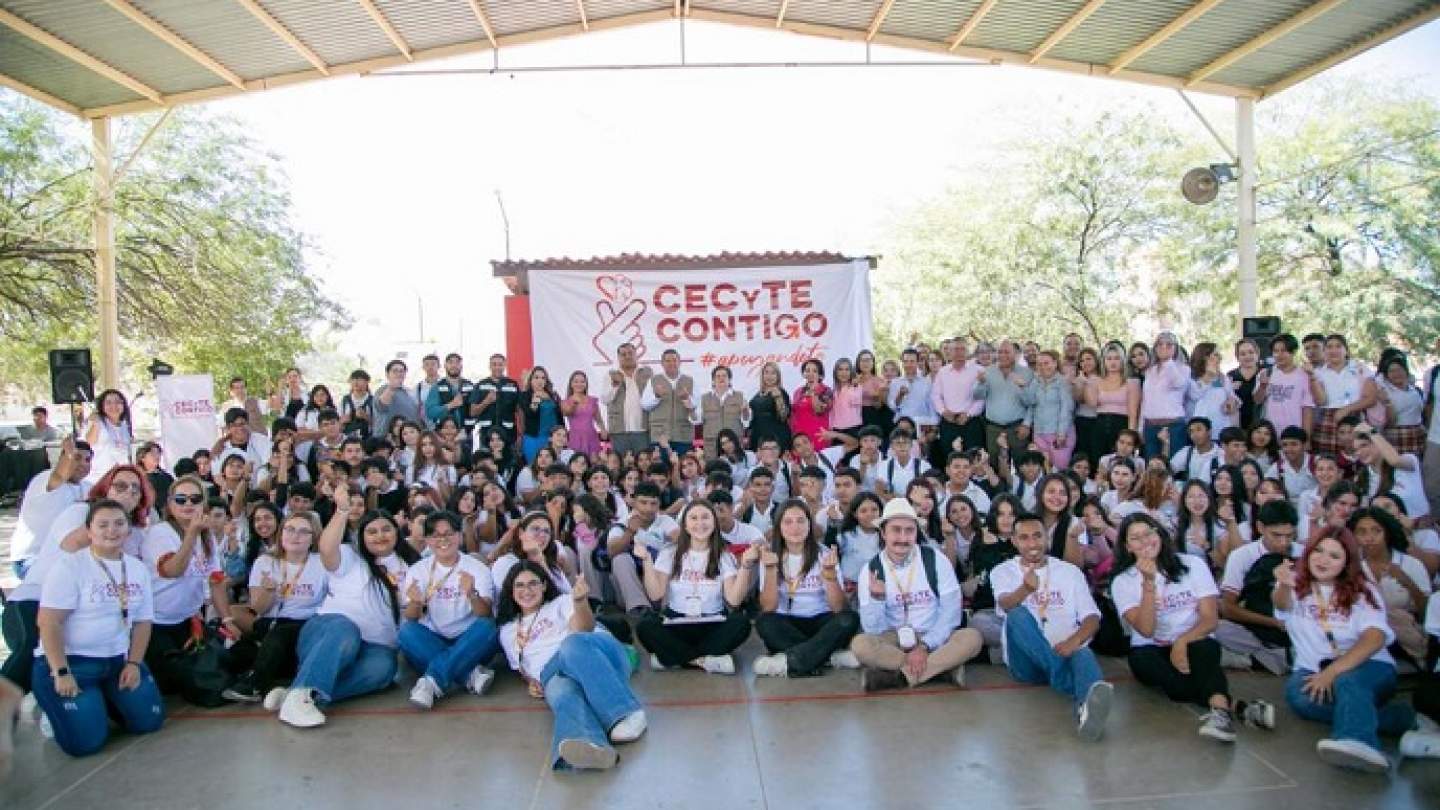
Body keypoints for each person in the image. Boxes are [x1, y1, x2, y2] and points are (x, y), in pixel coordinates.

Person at [1273, 526, 1423, 772]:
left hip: (1368, 666)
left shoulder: (1363, 592)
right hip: (1312, 668)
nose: (1323, 560)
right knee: (1299, 698)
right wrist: (1284, 584)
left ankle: (1358, 741)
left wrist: (1332, 673)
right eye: (1318, 551)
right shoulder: (1297, 585)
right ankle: (1401, 719)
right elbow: (1281, 606)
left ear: (1346, 563)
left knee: (1348, 683)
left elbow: (1374, 639)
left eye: (1334, 556)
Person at [1111, 513, 1261, 742]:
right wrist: (1149, 583)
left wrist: (1182, 642)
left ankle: (1221, 714)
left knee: (1206, 651)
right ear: (1127, 546)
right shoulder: (1123, 581)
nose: (1145, 541)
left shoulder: (1193, 565)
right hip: (1151, 647)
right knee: (1174, 686)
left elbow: (1210, 619)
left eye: (1148, 533)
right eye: (1136, 538)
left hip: (1194, 639)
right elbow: (1146, 630)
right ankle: (1238, 707)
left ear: (1159, 534)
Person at [32, 500, 165, 757]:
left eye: (119, 524)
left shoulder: (136, 569)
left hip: (116, 661)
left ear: (128, 530)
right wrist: (61, 671)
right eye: (102, 525)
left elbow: (143, 622)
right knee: (87, 744)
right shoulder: (70, 566)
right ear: (89, 530)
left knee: (149, 722)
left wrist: (134, 663)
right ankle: (58, 704)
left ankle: (103, 700)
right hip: (73, 664)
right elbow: (49, 622)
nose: (111, 531)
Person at [3, 465, 150, 697]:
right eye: (120, 485)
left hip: (82, 613)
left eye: (135, 488)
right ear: (105, 487)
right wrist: (112, 514)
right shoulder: (79, 512)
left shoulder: (133, 531)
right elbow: (72, 544)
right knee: (32, 651)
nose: (129, 491)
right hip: (35, 600)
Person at [274, 489, 408, 727]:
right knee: (347, 629)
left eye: (386, 529)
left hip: (375, 648)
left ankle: (301, 695)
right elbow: (326, 548)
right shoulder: (349, 556)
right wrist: (343, 511)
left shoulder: (410, 565)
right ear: (361, 536)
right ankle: (301, 694)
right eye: (372, 531)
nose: (380, 536)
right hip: (330, 634)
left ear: (397, 532)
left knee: (385, 668)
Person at [497, 562, 645, 771]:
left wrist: (580, 601)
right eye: (519, 586)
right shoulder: (507, 630)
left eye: (532, 584)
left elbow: (583, 629)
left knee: (571, 644)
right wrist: (531, 682)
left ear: (544, 586)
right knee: (562, 694)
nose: (526, 590)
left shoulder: (561, 603)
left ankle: (625, 713)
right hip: (554, 673)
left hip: (593, 655)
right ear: (511, 592)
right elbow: (522, 665)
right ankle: (591, 746)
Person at [991, 512, 1113, 742]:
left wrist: (1073, 642)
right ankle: (1064, 678)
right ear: (1014, 541)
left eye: (1037, 536)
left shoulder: (1069, 571)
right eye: (1024, 538)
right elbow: (1005, 605)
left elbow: (1092, 617)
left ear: (1047, 538)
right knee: (1017, 614)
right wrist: (1024, 590)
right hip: (1025, 662)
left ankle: (1086, 711)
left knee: (1084, 653)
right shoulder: (1002, 571)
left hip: (1066, 649)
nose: (1032, 544)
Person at [851, 498, 982, 691]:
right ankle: (941, 670)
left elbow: (951, 612)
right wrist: (876, 599)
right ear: (883, 532)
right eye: (896, 530)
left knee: (972, 638)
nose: (903, 538)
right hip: (893, 639)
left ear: (916, 533)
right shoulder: (871, 570)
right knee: (861, 645)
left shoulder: (936, 560)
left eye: (909, 530)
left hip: (934, 635)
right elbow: (873, 629)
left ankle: (901, 676)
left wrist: (925, 646)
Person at [140, 475, 236, 702]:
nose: (188, 504)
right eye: (181, 499)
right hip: (157, 624)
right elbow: (172, 570)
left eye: (195, 499)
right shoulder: (159, 533)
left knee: (232, 658)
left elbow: (216, 580)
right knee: (185, 682)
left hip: (189, 621)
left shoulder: (207, 535)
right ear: (170, 505)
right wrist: (191, 534)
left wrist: (228, 621)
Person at [633, 499, 754, 673]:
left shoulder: (723, 554)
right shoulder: (670, 552)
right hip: (676, 623)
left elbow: (734, 600)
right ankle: (704, 660)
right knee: (645, 625)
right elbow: (655, 595)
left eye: (705, 518)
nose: (700, 523)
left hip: (712, 622)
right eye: (693, 518)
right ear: (685, 525)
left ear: (714, 523)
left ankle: (673, 658)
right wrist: (646, 560)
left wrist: (746, 566)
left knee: (741, 623)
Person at [222, 510, 328, 703]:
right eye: (290, 529)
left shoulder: (321, 564)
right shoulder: (265, 562)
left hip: (306, 625)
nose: (295, 536)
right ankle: (280, 676)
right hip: (270, 624)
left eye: (304, 532)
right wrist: (269, 592)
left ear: (313, 538)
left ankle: (255, 683)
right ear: (281, 533)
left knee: (281, 633)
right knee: (236, 653)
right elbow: (257, 610)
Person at [399, 510, 499, 709]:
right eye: (436, 535)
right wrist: (416, 603)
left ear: (460, 537)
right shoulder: (418, 570)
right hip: (433, 639)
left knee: (488, 627)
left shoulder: (477, 568)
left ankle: (432, 681)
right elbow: (410, 617)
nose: (443, 539)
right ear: (427, 540)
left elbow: (485, 614)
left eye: (449, 533)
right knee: (406, 631)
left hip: (471, 640)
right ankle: (469, 675)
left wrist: (471, 593)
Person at [753, 500, 861, 677]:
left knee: (848, 619)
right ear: (778, 527)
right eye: (788, 522)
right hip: (786, 622)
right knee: (764, 622)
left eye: (801, 521)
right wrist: (771, 570)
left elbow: (839, 608)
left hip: (821, 621)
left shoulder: (824, 554)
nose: (795, 527)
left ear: (810, 525)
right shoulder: (770, 556)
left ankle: (791, 661)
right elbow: (768, 607)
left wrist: (830, 575)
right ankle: (824, 656)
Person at [1217, 499, 1300, 676]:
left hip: (1298, 628)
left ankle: (1259, 659)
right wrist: (1275, 623)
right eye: (1276, 535)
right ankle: (1272, 658)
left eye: (1289, 535)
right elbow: (1228, 608)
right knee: (1215, 628)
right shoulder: (1242, 556)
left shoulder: (1304, 554)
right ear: (1261, 528)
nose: (1283, 542)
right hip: (1256, 627)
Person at [8, 437, 91, 579]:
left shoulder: (89, 487)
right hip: (32, 559)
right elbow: (59, 475)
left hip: (66, 558)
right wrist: (69, 455)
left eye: (87, 460)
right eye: (77, 458)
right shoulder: (45, 479)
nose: (83, 464)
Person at [930, 338, 985, 467]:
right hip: (949, 421)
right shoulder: (942, 372)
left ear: (967, 351)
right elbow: (936, 396)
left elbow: (982, 397)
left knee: (974, 460)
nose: (959, 353)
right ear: (949, 351)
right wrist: (943, 412)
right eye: (956, 349)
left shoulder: (979, 370)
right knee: (950, 459)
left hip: (971, 422)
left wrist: (968, 414)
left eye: (962, 349)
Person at [1139, 332, 1188, 460]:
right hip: (1150, 425)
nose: (1164, 347)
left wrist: (1168, 361)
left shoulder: (1183, 368)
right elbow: (1146, 400)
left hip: (1173, 425)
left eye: (1169, 344)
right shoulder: (1150, 370)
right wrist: (1141, 427)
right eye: (1160, 344)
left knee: (1173, 465)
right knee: (1152, 465)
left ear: (1176, 348)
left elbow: (1178, 383)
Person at [1256, 334, 1316, 436]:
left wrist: (1306, 438)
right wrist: (1262, 386)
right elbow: (1257, 400)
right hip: (1269, 435)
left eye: (1283, 351)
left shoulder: (1304, 375)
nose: (1279, 355)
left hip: (1293, 434)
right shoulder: (1266, 373)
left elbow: (1307, 409)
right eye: (1275, 351)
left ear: (1293, 352)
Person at [603, 343, 653, 456]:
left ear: (636, 354)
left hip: (643, 429)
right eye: (623, 354)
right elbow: (605, 399)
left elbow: (654, 398)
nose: (627, 356)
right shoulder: (610, 374)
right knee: (621, 466)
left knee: (643, 465)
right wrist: (615, 385)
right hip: (619, 431)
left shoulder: (647, 372)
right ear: (618, 357)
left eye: (630, 353)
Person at [643, 349, 696, 454]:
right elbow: (645, 405)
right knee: (661, 469)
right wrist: (657, 396)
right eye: (668, 361)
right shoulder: (653, 380)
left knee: (683, 467)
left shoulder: (689, 380)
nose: (672, 363)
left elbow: (697, 407)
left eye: (674, 360)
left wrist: (687, 399)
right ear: (662, 363)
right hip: (660, 435)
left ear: (679, 362)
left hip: (683, 435)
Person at [1028, 350, 1075, 470]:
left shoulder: (1062, 382)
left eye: (1046, 363)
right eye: (1040, 364)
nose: (1043, 367)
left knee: (1060, 470)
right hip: (1039, 432)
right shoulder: (1035, 382)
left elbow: (1067, 408)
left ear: (1055, 363)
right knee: (1043, 469)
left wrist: (1062, 432)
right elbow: (1030, 403)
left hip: (1059, 434)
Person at [424, 353, 477, 450]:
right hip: (443, 438)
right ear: (445, 366)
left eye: (457, 362)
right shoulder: (437, 387)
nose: (454, 365)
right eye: (450, 362)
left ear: (461, 366)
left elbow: (476, 411)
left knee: (466, 464)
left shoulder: (470, 386)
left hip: (466, 436)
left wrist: (466, 430)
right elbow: (430, 412)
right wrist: (451, 405)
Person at [83, 389, 133, 485]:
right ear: (102, 406)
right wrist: (95, 424)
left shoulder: (124, 425)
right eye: (108, 403)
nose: (113, 406)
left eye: (118, 402)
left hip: (119, 478)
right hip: (97, 479)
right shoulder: (96, 422)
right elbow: (88, 444)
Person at [699, 365, 746, 462]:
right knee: (713, 473)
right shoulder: (704, 398)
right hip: (712, 446)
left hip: (733, 445)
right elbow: (696, 420)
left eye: (724, 376)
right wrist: (691, 408)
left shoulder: (740, 396)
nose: (721, 378)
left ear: (729, 379)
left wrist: (745, 412)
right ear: (713, 380)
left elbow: (746, 422)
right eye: (718, 376)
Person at [748, 361, 792, 454]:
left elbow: (784, 417)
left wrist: (778, 398)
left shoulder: (781, 392)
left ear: (778, 376)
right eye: (766, 372)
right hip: (758, 437)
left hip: (775, 438)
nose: (769, 376)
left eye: (773, 373)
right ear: (762, 375)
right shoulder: (758, 394)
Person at [790, 358, 834, 450]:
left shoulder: (826, 390)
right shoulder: (798, 391)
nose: (810, 373)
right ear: (803, 374)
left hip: (818, 436)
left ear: (820, 375)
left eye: (814, 371)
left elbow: (819, 410)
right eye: (807, 370)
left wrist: (814, 393)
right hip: (800, 438)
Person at [561, 370, 606, 457]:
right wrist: (573, 405)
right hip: (575, 438)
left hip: (591, 437)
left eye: (582, 381)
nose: (579, 384)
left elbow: (599, 419)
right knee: (577, 462)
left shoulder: (592, 400)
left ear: (586, 384)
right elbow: (567, 412)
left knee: (594, 463)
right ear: (571, 384)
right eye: (576, 381)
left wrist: (603, 430)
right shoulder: (565, 401)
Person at [374, 359, 419, 440]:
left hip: (408, 439)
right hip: (387, 440)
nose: (399, 373)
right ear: (387, 374)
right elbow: (382, 405)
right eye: (395, 371)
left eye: (401, 371)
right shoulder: (382, 390)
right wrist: (392, 387)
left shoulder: (410, 392)